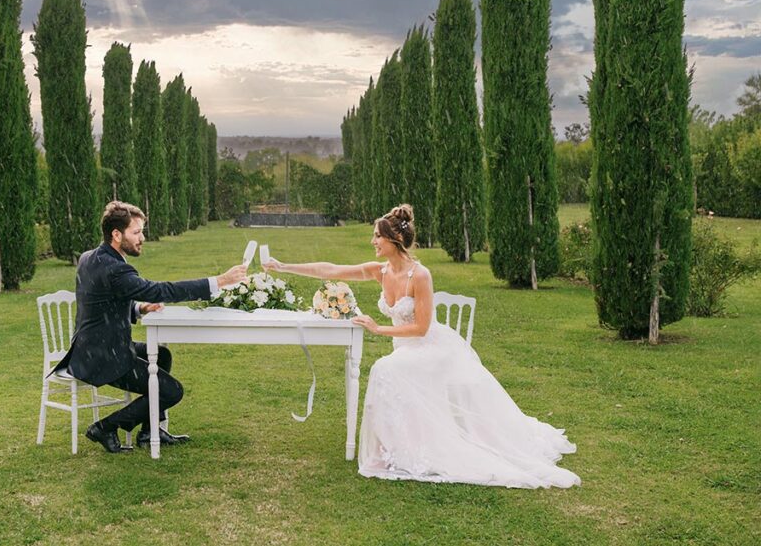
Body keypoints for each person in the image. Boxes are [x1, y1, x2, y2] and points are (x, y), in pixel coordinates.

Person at [264, 204, 580, 488]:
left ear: (394, 240)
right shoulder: (380, 271)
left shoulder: (421, 275)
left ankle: (403, 448)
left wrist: (377, 327)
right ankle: (395, 447)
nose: (372, 242)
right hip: (406, 351)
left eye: (377, 236)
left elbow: (421, 327)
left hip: (431, 350)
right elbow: (331, 269)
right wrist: (284, 266)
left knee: (384, 368)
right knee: (389, 367)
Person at [50, 201, 247, 453]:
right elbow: (159, 290)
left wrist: (138, 308)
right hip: (104, 358)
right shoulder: (115, 269)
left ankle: (149, 431)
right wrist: (219, 281)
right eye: (136, 232)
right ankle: (106, 426)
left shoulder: (90, 257)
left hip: (91, 348)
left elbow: (102, 300)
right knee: (172, 391)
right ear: (116, 235)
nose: (142, 238)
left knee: (161, 354)